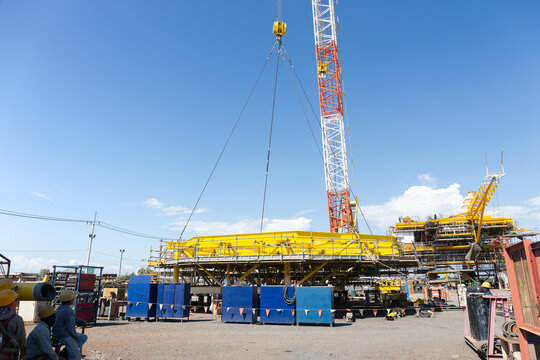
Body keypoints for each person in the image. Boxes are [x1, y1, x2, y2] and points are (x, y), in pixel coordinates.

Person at [52, 290, 87, 360]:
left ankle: (65, 353)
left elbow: (72, 319)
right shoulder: (69, 311)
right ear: (70, 301)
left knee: (83, 337)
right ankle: (69, 354)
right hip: (64, 335)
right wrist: (75, 336)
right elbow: (71, 328)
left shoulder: (59, 308)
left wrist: (79, 321)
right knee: (76, 356)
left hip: (56, 333)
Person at [0, 288, 26, 360]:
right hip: (10, 354)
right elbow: (22, 339)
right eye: (15, 301)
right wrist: (23, 354)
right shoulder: (17, 319)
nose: (16, 303)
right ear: (11, 303)